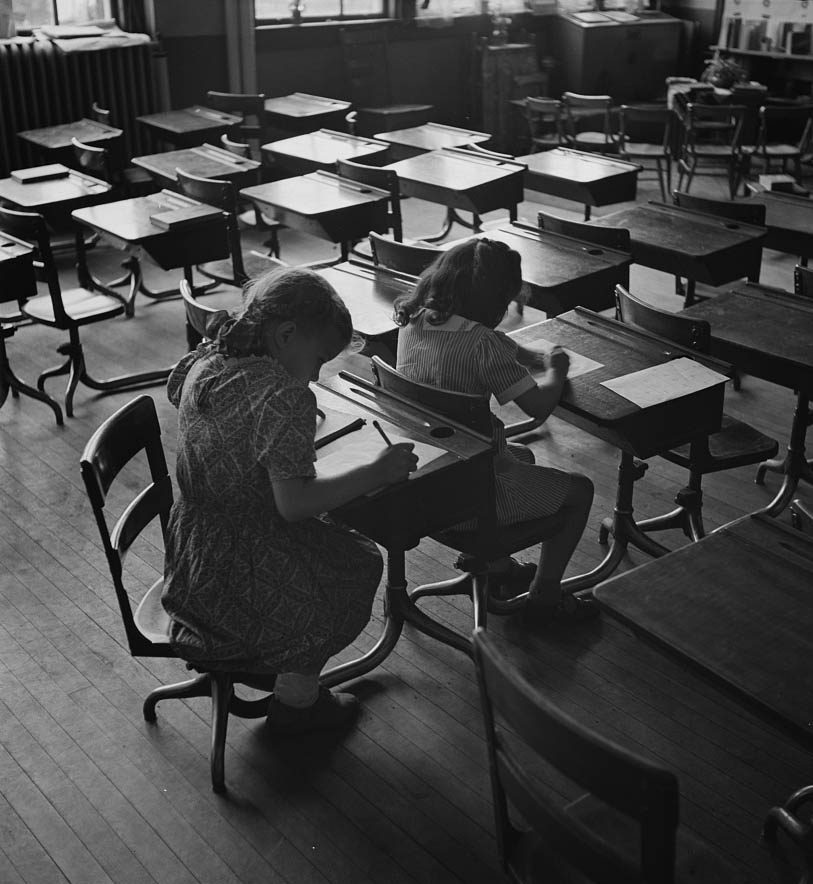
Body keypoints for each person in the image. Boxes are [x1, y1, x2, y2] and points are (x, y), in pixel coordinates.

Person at [161, 268, 418, 735]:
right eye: (318, 359)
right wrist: (377, 471)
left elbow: (188, 397)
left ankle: (274, 670)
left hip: (194, 553)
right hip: (245, 567)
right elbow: (295, 505)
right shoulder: (281, 394)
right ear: (285, 334)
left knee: (335, 543)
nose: (317, 374)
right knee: (357, 562)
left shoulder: (212, 356)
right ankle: (296, 701)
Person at [393, 238, 595, 623]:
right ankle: (546, 594)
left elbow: (478, 345)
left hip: (426, 482)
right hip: (471, 499)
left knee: (523, 456)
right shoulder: (484, 344)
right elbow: (537, 409)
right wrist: (557, 371)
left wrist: (519, 355)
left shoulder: (415, 321)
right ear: (497, 301)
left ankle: (498, 567)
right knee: (580, 491)